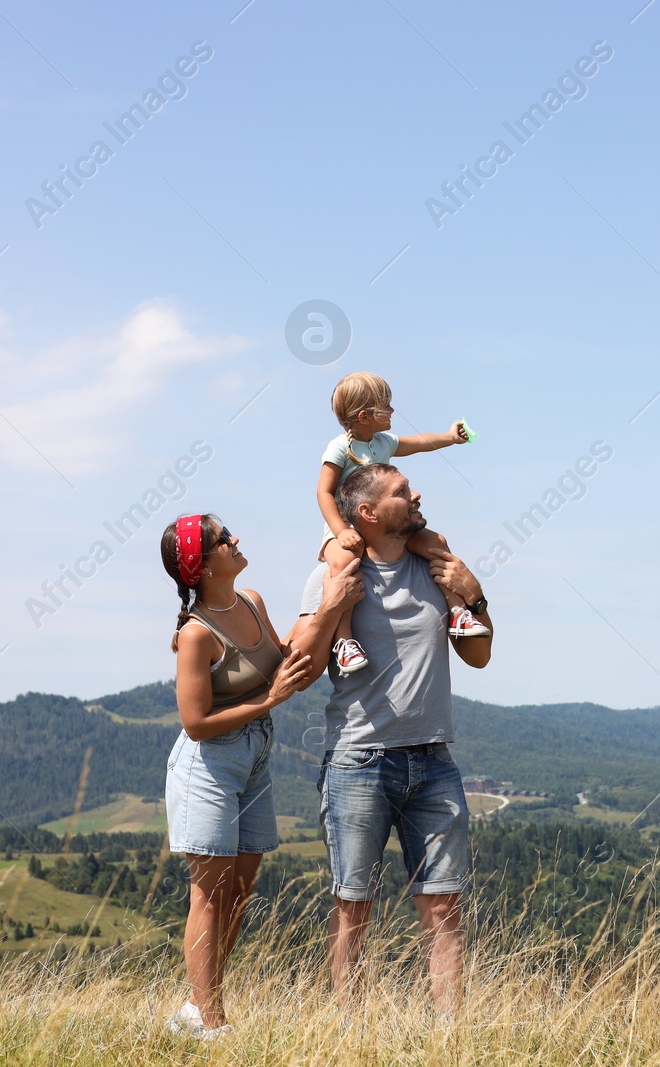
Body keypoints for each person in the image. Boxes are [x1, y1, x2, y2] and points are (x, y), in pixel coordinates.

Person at [290, 463, 493, 1011]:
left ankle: (449, 1037)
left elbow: (478, 656)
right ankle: (349, 1032)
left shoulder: (436, 567)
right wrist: (333, 604)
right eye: (403, 492)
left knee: (444, 907)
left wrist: (474, 596)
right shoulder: (331, 575)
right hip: (359, 761)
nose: (417, 493)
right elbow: (302, 669)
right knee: (354, 907)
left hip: (434, 760)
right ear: (368, 513)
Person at [158, 513, 322, 1040]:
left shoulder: (251, 600)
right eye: (223, 539)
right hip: (208, 764)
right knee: (208, 895)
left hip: (253, 757)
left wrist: (328, 608)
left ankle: (195, 1007)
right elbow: (196, 723)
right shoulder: (195, 635)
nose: (236, 539)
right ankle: (210, 1021)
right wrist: (269, 700)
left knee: (240, 890)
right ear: (202, 566)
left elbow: (277, 663)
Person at [316, 371, 488, 677]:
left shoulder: (383, 442)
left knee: (438, 544)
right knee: (343, 565)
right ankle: (344, 641)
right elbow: (324, 492)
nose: (394, 411)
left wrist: (450, 438)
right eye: (387, 406)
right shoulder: (340, 448)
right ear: (366, 416)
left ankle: (457, 611)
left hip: (388, 523)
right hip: (343, 524)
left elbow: (420, 443)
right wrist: (340, 531)